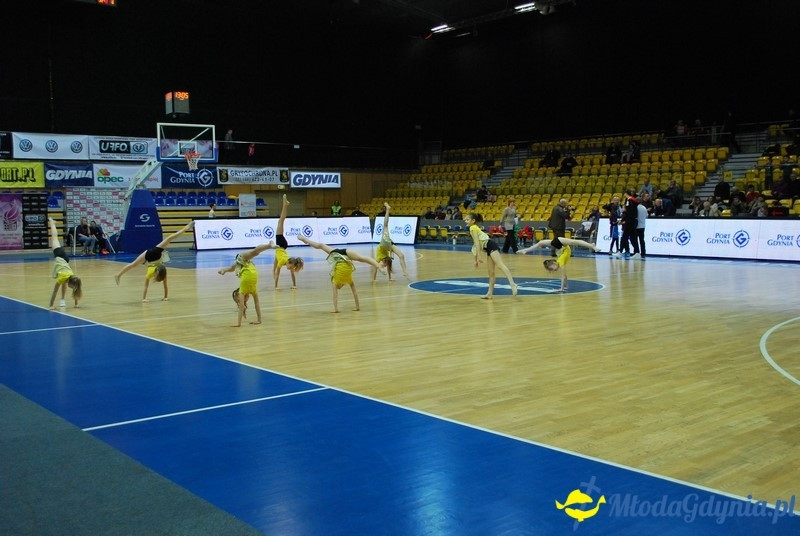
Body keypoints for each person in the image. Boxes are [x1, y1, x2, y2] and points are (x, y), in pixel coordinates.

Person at [297, 235, 385, 313]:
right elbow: (347, 294)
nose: (339, 288)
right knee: (322, 246)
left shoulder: (343, 280)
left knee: (361, 258)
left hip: (341, 254)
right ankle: (378, 265)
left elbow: (352, 294)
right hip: (340, 253)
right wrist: (337, 309)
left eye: (339, 287)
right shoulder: (343, 280)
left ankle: (378, 265)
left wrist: (355, 307)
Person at [113, 221, 195, 302]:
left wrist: (165, 297)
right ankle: (118, 275)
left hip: (152, 257)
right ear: (158, 272)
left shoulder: (158, 273)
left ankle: (118, 275)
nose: (155, 276)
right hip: (152, 253)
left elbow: (164, 286)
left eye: (156, 276)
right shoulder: (160, 267)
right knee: (170, 238)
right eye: (156, 275)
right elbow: (151, 285)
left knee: (134, 264)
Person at [218, 242, 274, 327]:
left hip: (243, 260)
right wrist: (259, 320)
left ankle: (269, 245)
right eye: (243, 300)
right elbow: (256, 305)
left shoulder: (242, 290)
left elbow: (242, 307)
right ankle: (269, 245)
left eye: (239, 299)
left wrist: (238, 324)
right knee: (254, 253)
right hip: (247, 265)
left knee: (254, 253)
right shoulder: (252, 290)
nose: (243, 300)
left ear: (237, 293)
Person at [518, 236, 602, 292]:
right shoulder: (559, 260)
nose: (554, 270)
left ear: (554, 263)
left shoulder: (560, 261)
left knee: (574, 241)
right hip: (560, 247)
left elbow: (562, 275)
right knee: (540, 243)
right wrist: (566, 286)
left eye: (552, 268)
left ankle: (592, 246)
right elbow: (564, 275)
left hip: (561, 244)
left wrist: (561, 288)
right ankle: (526, 250)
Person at [464, 212, 518, 299]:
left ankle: (513, 284)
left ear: (473, 221)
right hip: (487, 248)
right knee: (491, 272)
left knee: (500, 265)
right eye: (465, 219)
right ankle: (490, 293)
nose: (465, 221)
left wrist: (479, 256)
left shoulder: (473, 228)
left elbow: (477, 243)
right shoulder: (473, 228)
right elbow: (475, 245)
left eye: (467, 219)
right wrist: (475, 259)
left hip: (490, 245)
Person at [47, 217, 82, 310]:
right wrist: (51, 305)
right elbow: (54, 291)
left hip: (66, 260)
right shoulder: (63, 277)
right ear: (70, 282)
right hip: (60, 255)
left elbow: (76, 289)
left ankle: (62, 299)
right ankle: (52, 223)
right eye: (71, 286)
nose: (71, 288)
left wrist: (76, 304)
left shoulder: (72, 277)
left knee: (64, 283)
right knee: (54, 238)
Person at [272, 194, 305, 289]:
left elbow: (292, 275)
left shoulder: (289, 261)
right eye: (290, 267)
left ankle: (285, 204)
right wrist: (276, 287)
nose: (289, 269)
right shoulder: (283, 261)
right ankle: (285, 205)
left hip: (282, 247)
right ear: (290, 263)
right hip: (280, 244)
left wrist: (294, 285)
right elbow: (278, 274)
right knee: (281, 221)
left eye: (291, 268)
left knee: (281, 221)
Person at [372, 202, 409, 281]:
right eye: (384, 264)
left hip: (387, 244)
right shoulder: (379, 255)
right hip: (383, 245)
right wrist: (374, 279)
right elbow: (376, 265)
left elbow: (380, 265)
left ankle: (405, 271)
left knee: (401, 255)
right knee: (385, 225)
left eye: (383, 264)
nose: (385, 264)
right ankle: (387, 209)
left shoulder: (385, 258)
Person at [619, 189, 639, 259]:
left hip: (629, 221)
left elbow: (628, 212)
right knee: (633, 237)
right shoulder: (634, 200)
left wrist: (623, 219)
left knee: (624, 237)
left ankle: (620, 251)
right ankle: (637, 252)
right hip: (634, 221)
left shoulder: (628, 200)